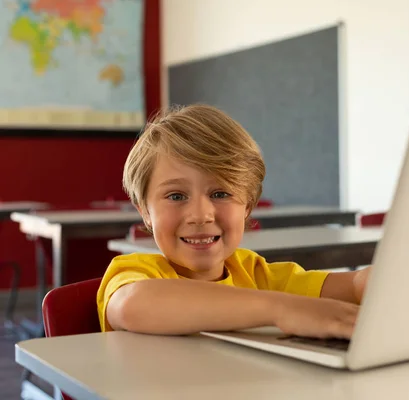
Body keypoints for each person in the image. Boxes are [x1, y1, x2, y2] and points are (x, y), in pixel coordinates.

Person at [97, 104, 371, 339]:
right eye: (176, 195)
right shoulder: (136, 273)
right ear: (145, 210)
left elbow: (354, 285)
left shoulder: (257, 274)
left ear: (247, 206)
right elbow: (132, 305)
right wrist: (279, 309)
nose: (201, 215)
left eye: (220, 193)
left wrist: (372, 280)